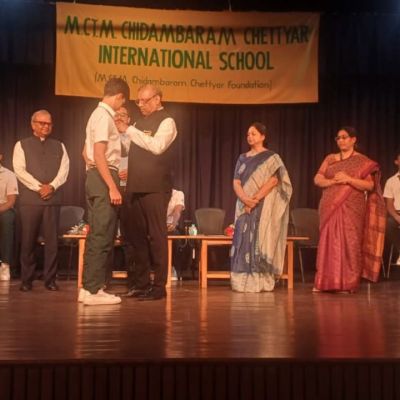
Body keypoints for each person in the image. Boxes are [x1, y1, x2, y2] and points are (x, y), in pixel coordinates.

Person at [115, 84, 177, 301]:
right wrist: (120, 130)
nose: (140, 104)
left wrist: (129, 130)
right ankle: (141, 284)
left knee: (157, 237)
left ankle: (159, 286)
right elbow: (127, 148)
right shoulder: (138, 123)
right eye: (138, 101)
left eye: (145, 100)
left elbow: (157, 146)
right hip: (134, 186)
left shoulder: (167, 121)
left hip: (155, 187)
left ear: (157, 99)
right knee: (136, 238)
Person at [313, 126, 386, 293]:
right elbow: (317, 178)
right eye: (338, 138)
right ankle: (324, 283)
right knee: (328, 243)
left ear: (353, 140)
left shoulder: (362, 161)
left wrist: (348, 179)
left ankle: (347, 283)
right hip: (329, 205)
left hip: (352, 207)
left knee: (349, 243)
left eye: (344, 137)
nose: (341, 140)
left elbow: (370, 185)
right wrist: (332, 182)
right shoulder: (330, 158)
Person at [79, 78, 130, 306]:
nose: (121, 107)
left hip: (96, 176)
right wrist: (112, 186)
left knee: (96, 234)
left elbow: (85, 152)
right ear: (119, 96)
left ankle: (88, 287)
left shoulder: (95, 115)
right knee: (102, 233)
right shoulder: (103, 116)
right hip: (104, 177)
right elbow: (98, 154)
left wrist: (92, 168)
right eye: (123, 102)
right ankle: (93, 290)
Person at [230, 122, 292, 292]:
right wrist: (245, 199)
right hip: (243, 205)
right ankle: (241, 282)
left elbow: (274, 181)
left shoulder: (272, 157)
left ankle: (260, 282)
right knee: (242, 240)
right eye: (248, 134)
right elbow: (236, 182)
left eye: (254, 134)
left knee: (261, 240)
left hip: (263, 205)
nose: (250, 137)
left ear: (263, 136)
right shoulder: (242, 158)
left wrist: (254, 200)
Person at [13, 110, 70, 291]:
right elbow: (19, 170)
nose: (46, 126)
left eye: (49, 123)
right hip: (31, 200)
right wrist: (39, 187)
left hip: (52, 199)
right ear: (33, 124)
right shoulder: (22, 145)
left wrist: (51, 186)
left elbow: (64, 170)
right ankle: (26, 280)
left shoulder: (59, 145)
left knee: (52, 242)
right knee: (28, 241)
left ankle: (50, 280)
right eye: (42, 123)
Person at [0, 152, 19, 281]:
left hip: (3, 208)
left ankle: (5, 265)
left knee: (7, 219)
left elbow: (11, 201)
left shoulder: (9, 175)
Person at [383, 151, 400, 265]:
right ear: (396, 162)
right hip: (397, 213)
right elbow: (389, 204)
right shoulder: (391, 181)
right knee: (388, 223)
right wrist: (397, 217)